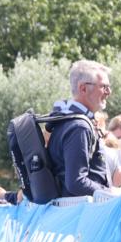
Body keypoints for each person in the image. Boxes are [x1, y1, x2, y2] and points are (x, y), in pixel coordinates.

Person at [45, 60, 112, 197]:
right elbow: (76, 182)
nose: (108, 92)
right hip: (80, 211)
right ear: (83, 88)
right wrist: (109, 193)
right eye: (104, 86)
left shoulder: (67, 120)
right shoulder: (79, 127)